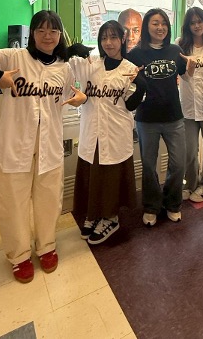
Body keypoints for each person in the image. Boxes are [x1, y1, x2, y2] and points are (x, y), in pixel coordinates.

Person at [0, 10, 86, 283]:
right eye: (41, 30)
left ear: (60, 35)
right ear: (32, 34)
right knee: (13, 202)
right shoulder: (14, 57)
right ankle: (19, 256)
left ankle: (46, 246)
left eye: (53, 31)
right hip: (15, 145)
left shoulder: (64, 68)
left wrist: (80, 99)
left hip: (49, 145)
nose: (48, 36)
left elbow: (68, 96)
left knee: (48, 199)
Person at [68, 20, 145, 245]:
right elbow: (63, 63)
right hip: (92, 129)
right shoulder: (91, 64)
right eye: (104, 38)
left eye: (113, 37)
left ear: (122, 39)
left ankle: (111, 218)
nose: (108, 43)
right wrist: (72, 50)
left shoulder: (129, 69)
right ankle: (93, 215)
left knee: (111, 176)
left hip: (116, 131)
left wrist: (141, 86)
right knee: (93, 174)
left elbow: (130, 105)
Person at [127, 8, 195, 226]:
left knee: (178, 163)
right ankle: (151, 206)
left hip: (174, 116)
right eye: (155, 23)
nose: (160, 27)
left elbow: (186, 76)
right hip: (147, 118)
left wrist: (193, 67)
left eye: (164, 23)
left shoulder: (175, 50)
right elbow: (125, 78)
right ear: (147, 26)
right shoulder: (136, 53)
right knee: (149, 165)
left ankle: (172, 203)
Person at [176, 7, 203, 202]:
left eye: (200, 21)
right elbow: (182, 76)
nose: (196, 25)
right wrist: (190, 68)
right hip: (188, 106)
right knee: (189, 151)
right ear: (187, 25)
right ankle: (191, 184)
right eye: (192, 22)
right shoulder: (180, 45)